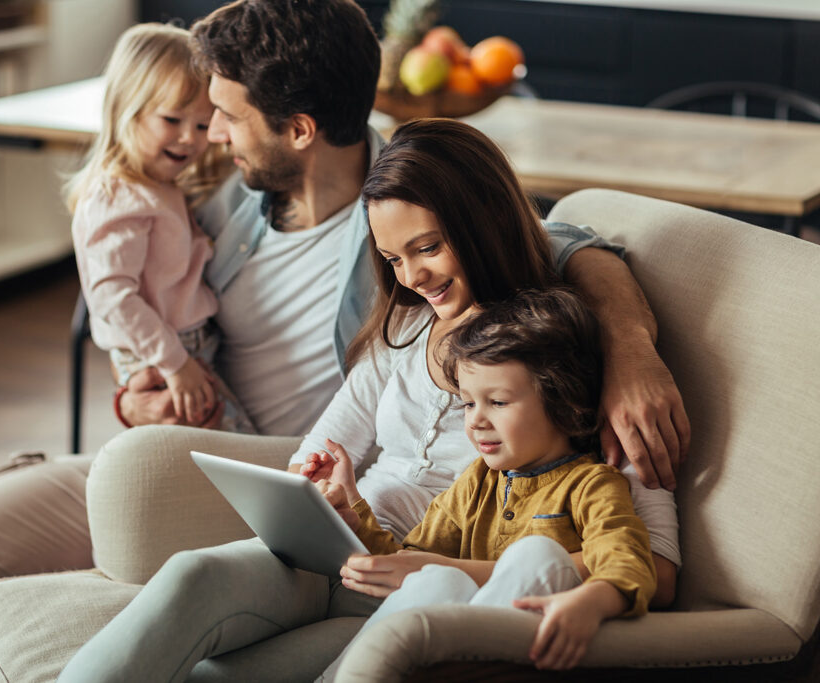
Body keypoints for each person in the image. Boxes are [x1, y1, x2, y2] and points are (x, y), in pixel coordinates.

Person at [0, 0, 687, 602]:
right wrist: (141, 395)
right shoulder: (232, 200)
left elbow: (568, 243)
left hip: (299, 472)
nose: (212, 132)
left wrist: (628, 345)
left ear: (301, 128)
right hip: (217, 442)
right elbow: (156, 311)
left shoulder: (413, 213)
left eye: (228, 113)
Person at [55, 118, 670, 682]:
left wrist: (440, 572)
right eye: (392, 257)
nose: (410, 278)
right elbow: (317, 454)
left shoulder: (566, 356)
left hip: (426, 591)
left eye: (428, 248)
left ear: (486, 223)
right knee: (195, 575)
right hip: (354, 552)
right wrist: (333, 499)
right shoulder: (402, 330)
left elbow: (656, 569)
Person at [313, 287, 655, 675]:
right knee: (439, 581)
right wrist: (355, 513)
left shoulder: (592, 485)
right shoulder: (477, 481)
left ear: (562, 399)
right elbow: (410, 560)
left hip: (522, 649)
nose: (475, 420)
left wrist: (593, 601)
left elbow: (627, 558)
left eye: (498, 402)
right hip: (447, 647)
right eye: (469, 403)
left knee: (536, 555)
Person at [64, 23, 252, 433]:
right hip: (166, 351)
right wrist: (175, 363)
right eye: (172, 119)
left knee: (231, 438)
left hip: (182, 344)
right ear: (126, 110)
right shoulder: (118, 196)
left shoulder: (158, 184)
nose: (189, 138)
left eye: (202, 126)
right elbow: (112, 297)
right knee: (226, 443)